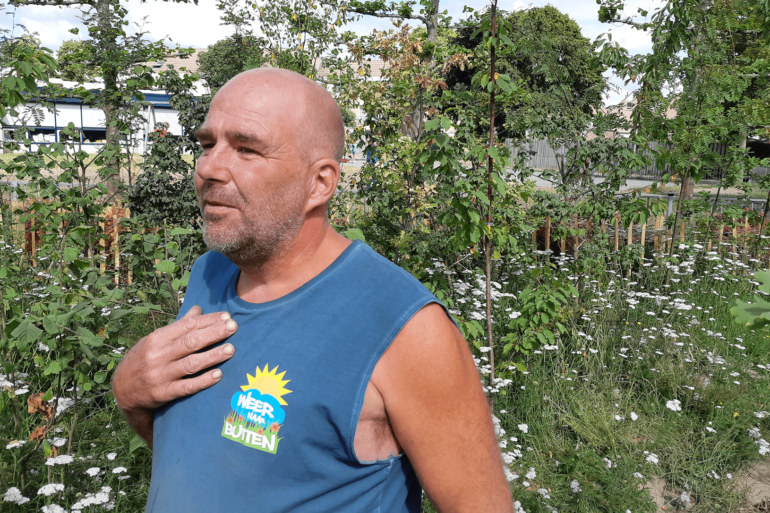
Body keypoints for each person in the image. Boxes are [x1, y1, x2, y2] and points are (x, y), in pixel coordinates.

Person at [112, 68, 513, 512]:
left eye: (247, 149)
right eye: (207, 145)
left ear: (319, 183)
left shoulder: (404, 328)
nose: (208, 168)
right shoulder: (209, 273)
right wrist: (129, 395)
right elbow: (202, 456)